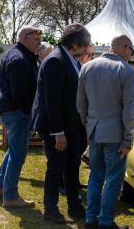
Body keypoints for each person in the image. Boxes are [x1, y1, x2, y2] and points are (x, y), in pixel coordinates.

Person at [31, 23, 90, 224]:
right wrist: (58, 132)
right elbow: (51, 101)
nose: (87, 48)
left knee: (72, 166)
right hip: (57, 127)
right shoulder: (55, 61)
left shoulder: (70, 59)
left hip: (70, 124)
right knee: (56, 168)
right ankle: (51, 209)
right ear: (75, 44)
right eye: (86, 44)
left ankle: (75, 206)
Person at [77, 34, 134, 229]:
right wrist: (128, 139)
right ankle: (104, 222)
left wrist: (88, 125)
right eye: (131, 50)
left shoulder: (87, 67)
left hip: (94, 131)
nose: (131, 54)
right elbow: (129, 111)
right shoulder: (127, 71)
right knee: (112, 179)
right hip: (116, 134)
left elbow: (80, 104)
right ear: (125, 47)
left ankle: (90, 219)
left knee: (95, 175)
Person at [0, 26, 41, 208]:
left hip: (14, 111)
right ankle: (11, 196)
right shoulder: (19, 59)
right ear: (24, 37)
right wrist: (30, 112)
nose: (39, 40)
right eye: (35, 36)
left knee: (13, 151)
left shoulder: (20, 55)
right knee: (18, 154)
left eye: (39, 37)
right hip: (18, 112)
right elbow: (20, 93)